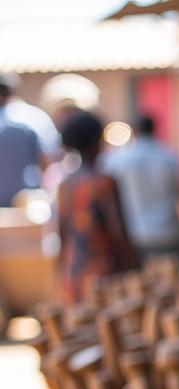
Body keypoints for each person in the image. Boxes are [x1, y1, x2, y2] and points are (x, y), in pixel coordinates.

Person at [56, 112, 135, 302]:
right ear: (96, 142)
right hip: (103, 270)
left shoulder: (66, 183)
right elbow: (118, 231)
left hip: (74, 268)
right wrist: (132, 265)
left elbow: (62, 231)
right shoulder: (104, 183)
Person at [103, 114, 179, 264]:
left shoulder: (121, 159)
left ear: (135, 131)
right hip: (168, 230)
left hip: (137, 232)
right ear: (154, 130)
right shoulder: (170, 157)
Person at [0, 78, 43, 206]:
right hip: (26, 202)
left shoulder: (28, 120)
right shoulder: (33, 118)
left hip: (23, 201)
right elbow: (47, 161)